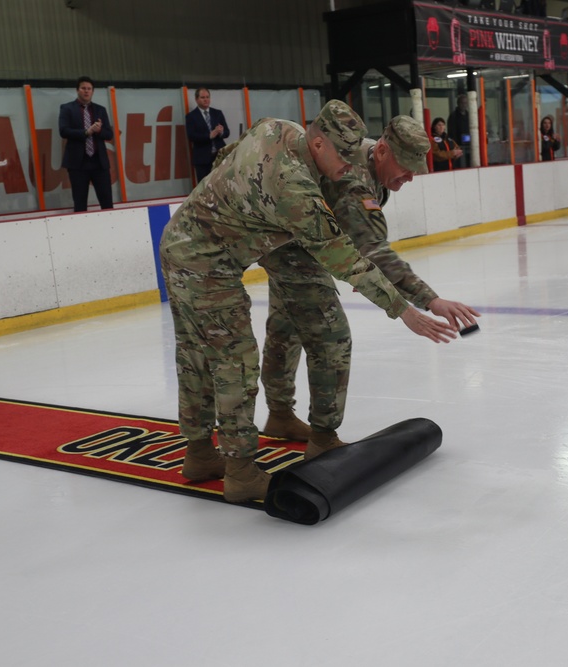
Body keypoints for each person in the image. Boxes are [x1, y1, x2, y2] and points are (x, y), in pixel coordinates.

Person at [158, 101, 456, 503]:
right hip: (208, 263)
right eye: (344, 159)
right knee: (236, 362)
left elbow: (228, 156)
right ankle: (241, 472)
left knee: (195, 354)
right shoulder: (295, 186)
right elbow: (346, 256)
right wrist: (404, 309)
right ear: (318, 143)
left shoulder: (278, 127)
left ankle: (198, 454)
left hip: (181, 240)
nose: (350, 168)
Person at [259, 115, 480, 459]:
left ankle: (280, 415)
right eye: (405, 168)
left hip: (299, 236)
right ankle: (322, 437)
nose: (409, 177)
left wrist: (368, 269)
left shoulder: (372, 163)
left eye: (414, 170)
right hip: (292, 245)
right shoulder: (354, 182)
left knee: (285, 325)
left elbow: (364, 240)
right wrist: (429, 300)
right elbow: (373, 248)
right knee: (331, 334)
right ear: (381, 150)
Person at [59, 76, 114, 212]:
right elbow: (63, 131)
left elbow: (109, 134)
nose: (86, 91)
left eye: (89, 89)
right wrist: (86, 132)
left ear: (93, 92)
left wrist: (99, 130)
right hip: (78, 164)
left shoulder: (100, 109)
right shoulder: (67, 108)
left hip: (99, 163)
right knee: (80, 203)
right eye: (83, 88)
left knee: (107, 201)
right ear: (77, 90)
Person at [185, 87, 231, 183]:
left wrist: (221, 132)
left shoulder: (217, 113)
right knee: (205, 186)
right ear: (196, 99)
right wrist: (209, 136)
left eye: (207, 97)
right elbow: (191, 136)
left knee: (222, 184)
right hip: (202, 158)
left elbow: (227, 132)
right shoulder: (191, 117)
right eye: (202, 97)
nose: (206, 99)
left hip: (220, 156)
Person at [447, 93, 470, 168]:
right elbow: (452, 133)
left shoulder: (469, 115)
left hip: (470, 147)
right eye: (462, 103)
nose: (464, 105)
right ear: (458, 103)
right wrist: (455, 145)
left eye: (465, 103)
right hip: (458, 147)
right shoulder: (453, 116)